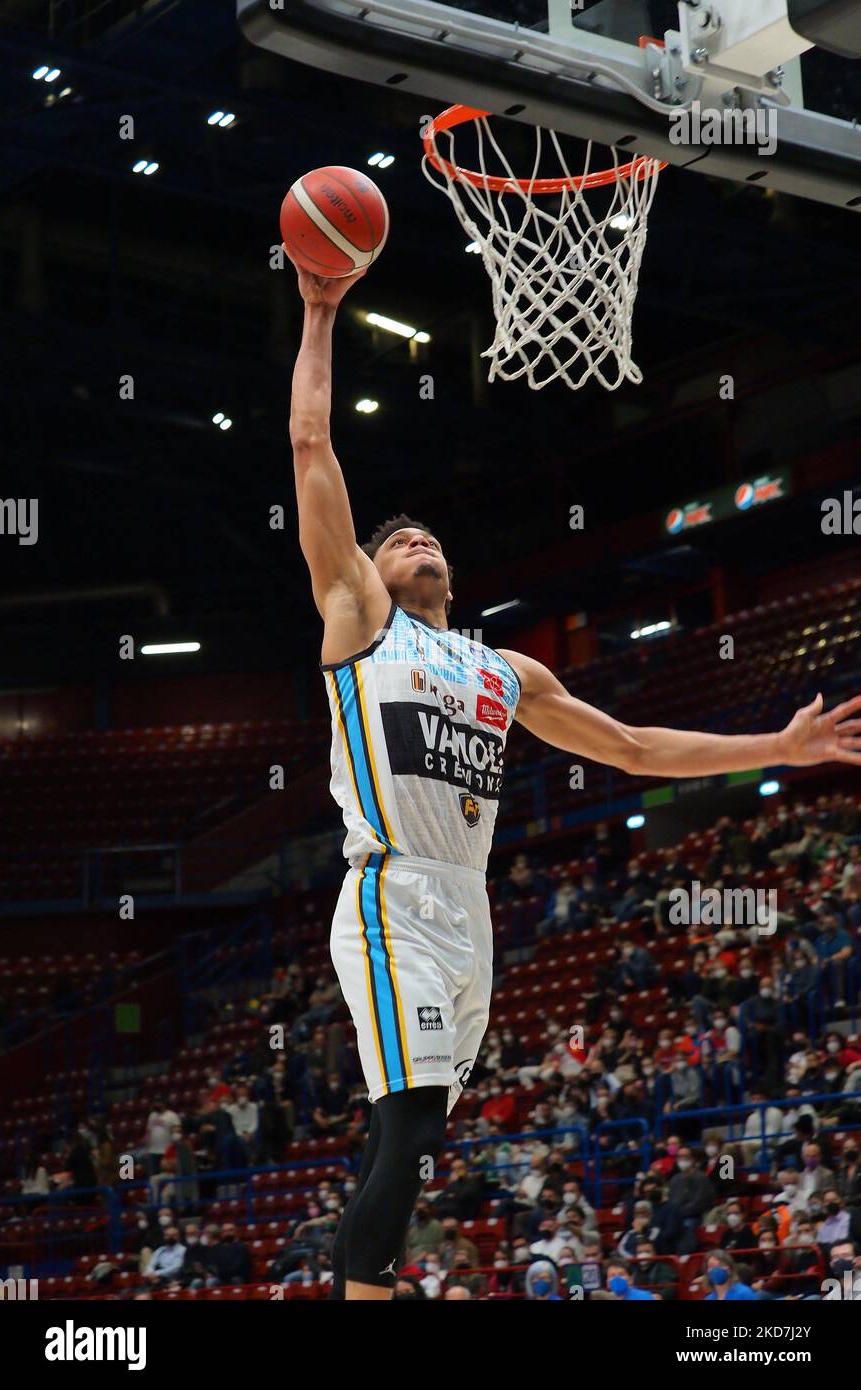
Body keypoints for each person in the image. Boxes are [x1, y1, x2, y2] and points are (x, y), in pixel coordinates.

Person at [288, 256, 861, 1301]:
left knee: (412, 1145)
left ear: (451, 575)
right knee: (408, 1125)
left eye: (429, 537)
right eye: (396, 538)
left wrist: (772, 750)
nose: (416, 538)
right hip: (392, 892)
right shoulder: (359, 619)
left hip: (470, 908)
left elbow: (635, 748)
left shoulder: (502, 669)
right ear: (367, 571)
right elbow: (311, 443)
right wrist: (322, 310)